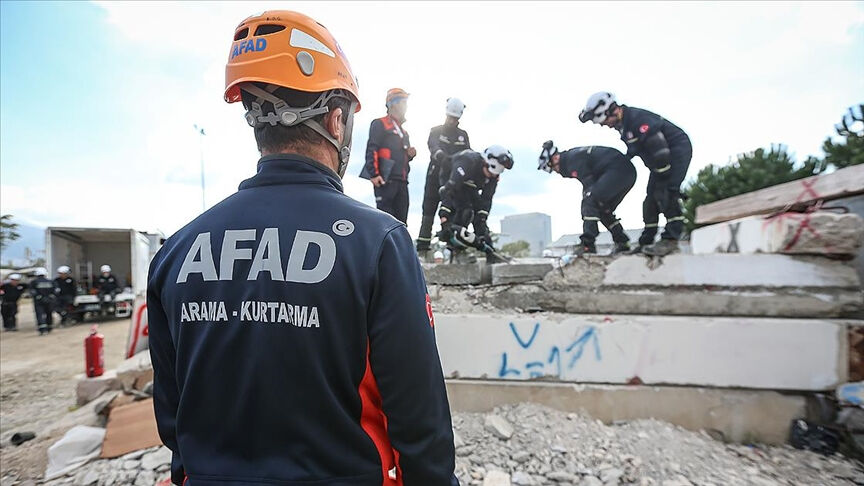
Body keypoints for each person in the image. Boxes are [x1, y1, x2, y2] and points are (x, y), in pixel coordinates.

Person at [147, 10, 457, 486]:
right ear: (337, 120)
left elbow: (173, 420)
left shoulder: (175, 252)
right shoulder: (379, 244)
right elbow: (420, 424)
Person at [579, 92, 692, 256]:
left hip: (674, 152)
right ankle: (647, 242)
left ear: (613, 111)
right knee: (650, 200)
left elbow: (659, 148)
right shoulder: (625, 125)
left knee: (666, 192)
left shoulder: (637, 119)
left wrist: (664, 175)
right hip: (658, 161)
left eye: (604, 121)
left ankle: (671, 240)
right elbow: (636, 149)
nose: (604, 125)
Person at [538, 141, 636, 255]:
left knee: (589, 203)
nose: (556, 172)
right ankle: (622, 242)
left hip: (618, 170)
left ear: (555, 158)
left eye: (553, 168)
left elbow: (589, 187)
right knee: (602, 208)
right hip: (625, 172)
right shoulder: (571, 158)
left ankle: (587, 244)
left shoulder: (572, 161)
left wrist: (587, 202)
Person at [438, 145, 514, 263]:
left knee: (479, 216)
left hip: (469, 186)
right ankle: (457, 251)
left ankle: (491, 253)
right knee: (464, 212)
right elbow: (448, 191)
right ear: (486, 163)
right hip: (450, 181)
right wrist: (444, 218)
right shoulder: (467, 162)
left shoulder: (493, 176)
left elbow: (486, 201)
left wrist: (482, 229)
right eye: (489, 173)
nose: (491, 177)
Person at [416, 98, 471, 256]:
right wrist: (441, 157)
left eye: (455, 118)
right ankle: (423, 250)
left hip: (454, 180)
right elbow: (433, 146)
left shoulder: (463, 135)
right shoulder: (436, 131)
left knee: (452, 213)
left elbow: (467, 154)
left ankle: (456, 249)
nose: (452, 121)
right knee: (428, 211)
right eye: (450, 117)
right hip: (434, 176)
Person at [361, 88, 417, 224]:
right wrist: (374, 174)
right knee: (385, 222)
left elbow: (402, 156)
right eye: (404, 102)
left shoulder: (404, 132)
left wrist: (410, 155)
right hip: (386, 180)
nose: (406, 107)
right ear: (394, 104)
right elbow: (372, 148)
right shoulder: (379, 124)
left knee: (401, 223)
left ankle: (400, 246)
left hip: (402, 181)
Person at [30, 267, 55, 335]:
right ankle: (49, 327)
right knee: (49, 314)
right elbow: (55, 291)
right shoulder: (51, 281)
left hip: (39, 302)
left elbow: (32, 292)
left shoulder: (33, 282)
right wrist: (50, 297)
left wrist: (39, 297)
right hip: (49, 301)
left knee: (40, 315)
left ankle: (42, 329)